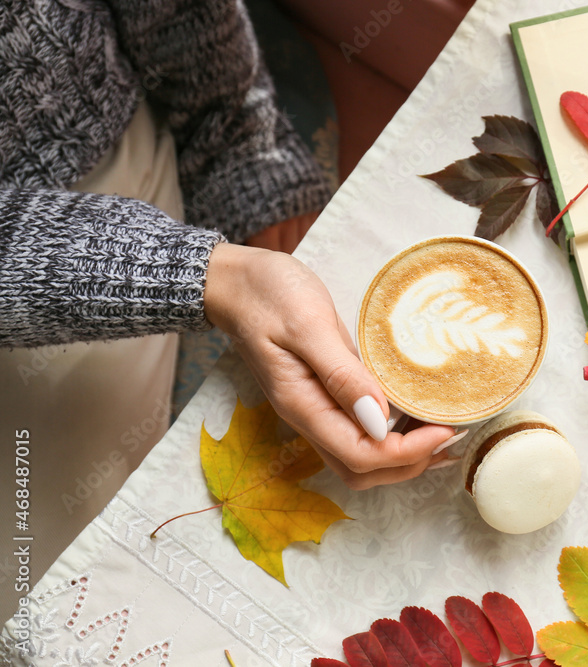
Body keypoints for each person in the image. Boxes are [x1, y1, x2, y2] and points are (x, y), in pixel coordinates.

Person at [0, 0, 464, 604]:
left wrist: (237, 139)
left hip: (97, 153)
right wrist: (201, 276)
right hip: (59, 259)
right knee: (51, 597)